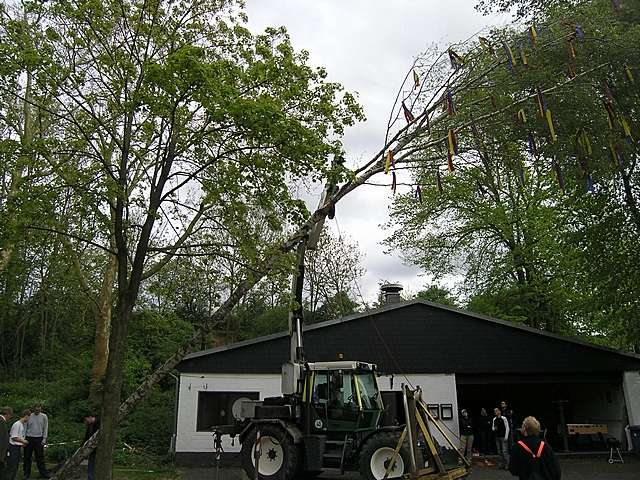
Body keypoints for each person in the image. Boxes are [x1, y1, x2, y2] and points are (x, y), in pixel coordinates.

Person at [509, 416, 561, 480]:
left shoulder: (517, 447)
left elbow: (513, 470)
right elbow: (556, 470)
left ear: (525, 429)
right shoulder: (545, 446)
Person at [23, 403, 49, 479]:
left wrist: (44, 438)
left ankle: (43, 473)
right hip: (29, 438)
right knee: (27, 457)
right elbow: (25, 427)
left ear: (41, 409)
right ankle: (26, 473)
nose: (37, 410)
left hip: (39, 439)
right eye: (36, 408)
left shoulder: (44, 416)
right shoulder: (29, 416)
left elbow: (45, 428)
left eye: (39, 408)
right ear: (33, 409)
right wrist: (24, 439)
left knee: (40, 457)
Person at [6, 410, 30, 480]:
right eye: (29, 417)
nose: (29, 419)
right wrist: (24, 441)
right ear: (26, 416)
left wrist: (22, 443)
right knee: (12, 466)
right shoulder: (17, 424)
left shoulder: (21, 425)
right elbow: (14, 437)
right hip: (13, 448)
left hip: (17, 447)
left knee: (16, 466)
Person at [82, 414, 100, 480]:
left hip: (97, 449)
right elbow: (86, 438)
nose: (86, 422)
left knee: (93, 465)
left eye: (86, 420)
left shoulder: (99, 423)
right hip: (92, 449)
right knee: (91, 465)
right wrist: (82, 447)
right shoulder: (90, 426)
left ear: (89, 417)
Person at [0, 407, 13, 480]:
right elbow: (2, 439)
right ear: (8, 414)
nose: (10, 418)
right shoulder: (1, 422)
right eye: (10, 416)